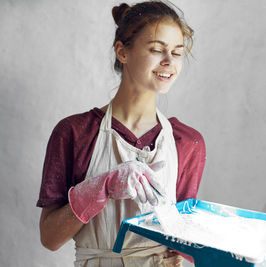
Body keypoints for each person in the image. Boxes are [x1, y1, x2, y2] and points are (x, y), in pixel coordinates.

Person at [36, 1, 206, 266]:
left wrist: (232, 248)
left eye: (177, 52)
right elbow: (49, 237)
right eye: (156, 49)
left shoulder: (187, 142)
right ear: (122, 52)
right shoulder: (75, 133)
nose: (169, 62)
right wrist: (99, 189)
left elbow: (186, 244)